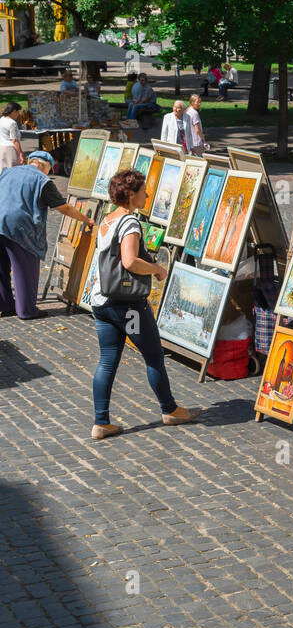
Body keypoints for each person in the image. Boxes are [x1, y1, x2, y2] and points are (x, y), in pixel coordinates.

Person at [90, 168, 202, 440]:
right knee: (153, 356)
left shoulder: (107, 221)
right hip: (127, 305)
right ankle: (170, 409)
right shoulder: (129, 223)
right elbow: (129, 261)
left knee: (107, 361)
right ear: (130, 195)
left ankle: (101, 422)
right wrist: (156, 268)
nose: (147, 194)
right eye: (142, 191)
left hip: (101, 301)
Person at [0, 150, 94, 319]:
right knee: (25, 268)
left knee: (0, 268)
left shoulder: (8, 171)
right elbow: (63, 207)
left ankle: (5, 305)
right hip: (19, 227)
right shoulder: (42, 180)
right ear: (45, 167)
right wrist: (85, 219)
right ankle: (26, 310)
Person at [0, 103, 25, 171]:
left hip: (1, 148)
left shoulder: (1, 119)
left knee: (2, 171)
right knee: (12, 171)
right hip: (10, 150)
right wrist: (20, 153)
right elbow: (14, 141)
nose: (18, 114)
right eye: (17, 112)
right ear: (14, 111)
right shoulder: (12, 123)